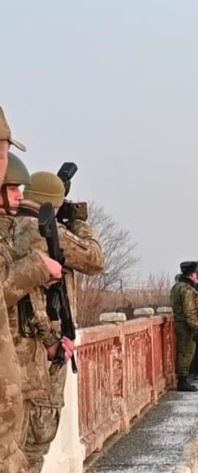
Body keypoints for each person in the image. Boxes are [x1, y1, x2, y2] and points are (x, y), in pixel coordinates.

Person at [12, 171, 105, 471]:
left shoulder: (9, 228)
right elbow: (95, 258)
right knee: (34, 446)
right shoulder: (43, 232)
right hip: (44, 352)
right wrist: (78, 220)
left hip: (14, 353)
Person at [0, 151, 64, 473]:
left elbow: (29, 305)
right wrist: (37, 266)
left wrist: (51, 339)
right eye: (12, 189)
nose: (19, 196)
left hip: (19, 375)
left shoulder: (10, 234)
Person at [170, 261, 198, 392]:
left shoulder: (177, 286)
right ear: (193, 274)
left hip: (179, 322)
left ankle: (183, 378)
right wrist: (194, 326)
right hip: (186, 325)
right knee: (186, 352)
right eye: (196, 274)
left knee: (183, 351)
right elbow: (189, 310)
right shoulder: (188, 290)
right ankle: (183, 381)